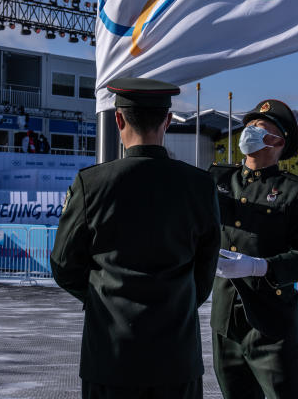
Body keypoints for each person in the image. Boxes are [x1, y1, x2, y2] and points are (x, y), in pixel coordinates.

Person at [51, 77, 221, 399]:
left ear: (118, 120)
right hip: (176, 357)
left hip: (111, 356)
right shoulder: (199, 186)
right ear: (167, 121)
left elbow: (63, 265)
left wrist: (100, 298)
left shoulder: (92, 184)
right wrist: (177, 302)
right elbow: (204, 272)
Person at [209, 99, 298, 399]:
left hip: (272, 328)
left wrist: (260, 267)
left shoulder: (294, 191)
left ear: (278, 141)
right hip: (225, 326)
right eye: (248, 126)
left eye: (259, 129)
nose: (248, 132)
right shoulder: (218, 180)